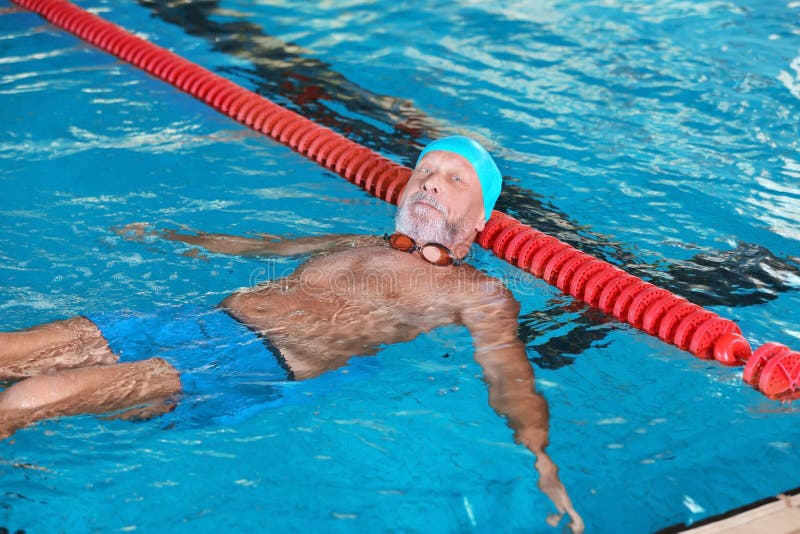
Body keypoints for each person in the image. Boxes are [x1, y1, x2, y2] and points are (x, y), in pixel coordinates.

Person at [0, 136, 583, 532]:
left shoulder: (476, 291)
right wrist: (169, 235)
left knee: (28, 396)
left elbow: (509, 375)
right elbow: (257, 248)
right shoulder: (353, 241)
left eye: (455, 179)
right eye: (425, 171)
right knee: (10, 353)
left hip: (254, 363)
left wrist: (540, 457)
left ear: (482, 219)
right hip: (195, 319)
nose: (431, 183)